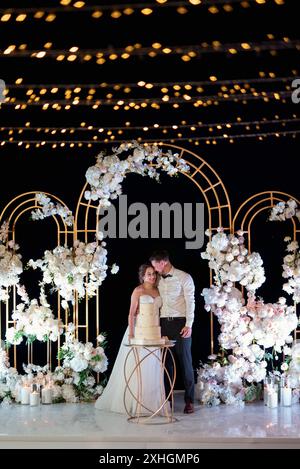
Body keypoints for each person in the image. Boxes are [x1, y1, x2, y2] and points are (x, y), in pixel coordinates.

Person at [95, 264, 165, 415]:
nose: (152, 276)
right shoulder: (138, 291)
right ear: (143, 276)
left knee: (152, 367)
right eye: (149, 274)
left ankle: (152, 404)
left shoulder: (157, 290)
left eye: (153, 274)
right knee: (137, 367)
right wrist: (132, 333)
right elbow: (131, 313)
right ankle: (134, 402)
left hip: (153, 332)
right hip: (139, 331)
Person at [150, 250, 195, 414]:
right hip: (163, 325)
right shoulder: (158, 280)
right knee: (165, 364)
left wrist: (189, 324)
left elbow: (191, 301)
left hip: (181, 324)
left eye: (156, 266)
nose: (155, 270)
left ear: (163, 262)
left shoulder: (184, 277)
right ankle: (167, 400)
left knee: (185, 362)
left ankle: (189, 401)